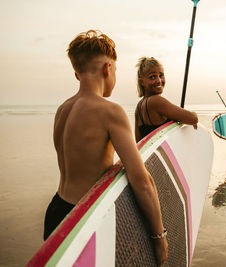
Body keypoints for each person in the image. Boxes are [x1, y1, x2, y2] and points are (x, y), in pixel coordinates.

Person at [45, 30, 168, 265]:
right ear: (107, 69)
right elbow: (141, 180)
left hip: (56, 212)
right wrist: (159, 237)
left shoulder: (62, 110)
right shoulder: (110, 111)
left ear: (77, 73)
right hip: (83, 221)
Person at [134, 57, 198, 142]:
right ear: (141, 82)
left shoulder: (138, 108)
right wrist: (192, 114)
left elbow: (139, 143)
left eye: (161, 75)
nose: (159, 81)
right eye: (152, 77)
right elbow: (193, 118)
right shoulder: (156, 101)